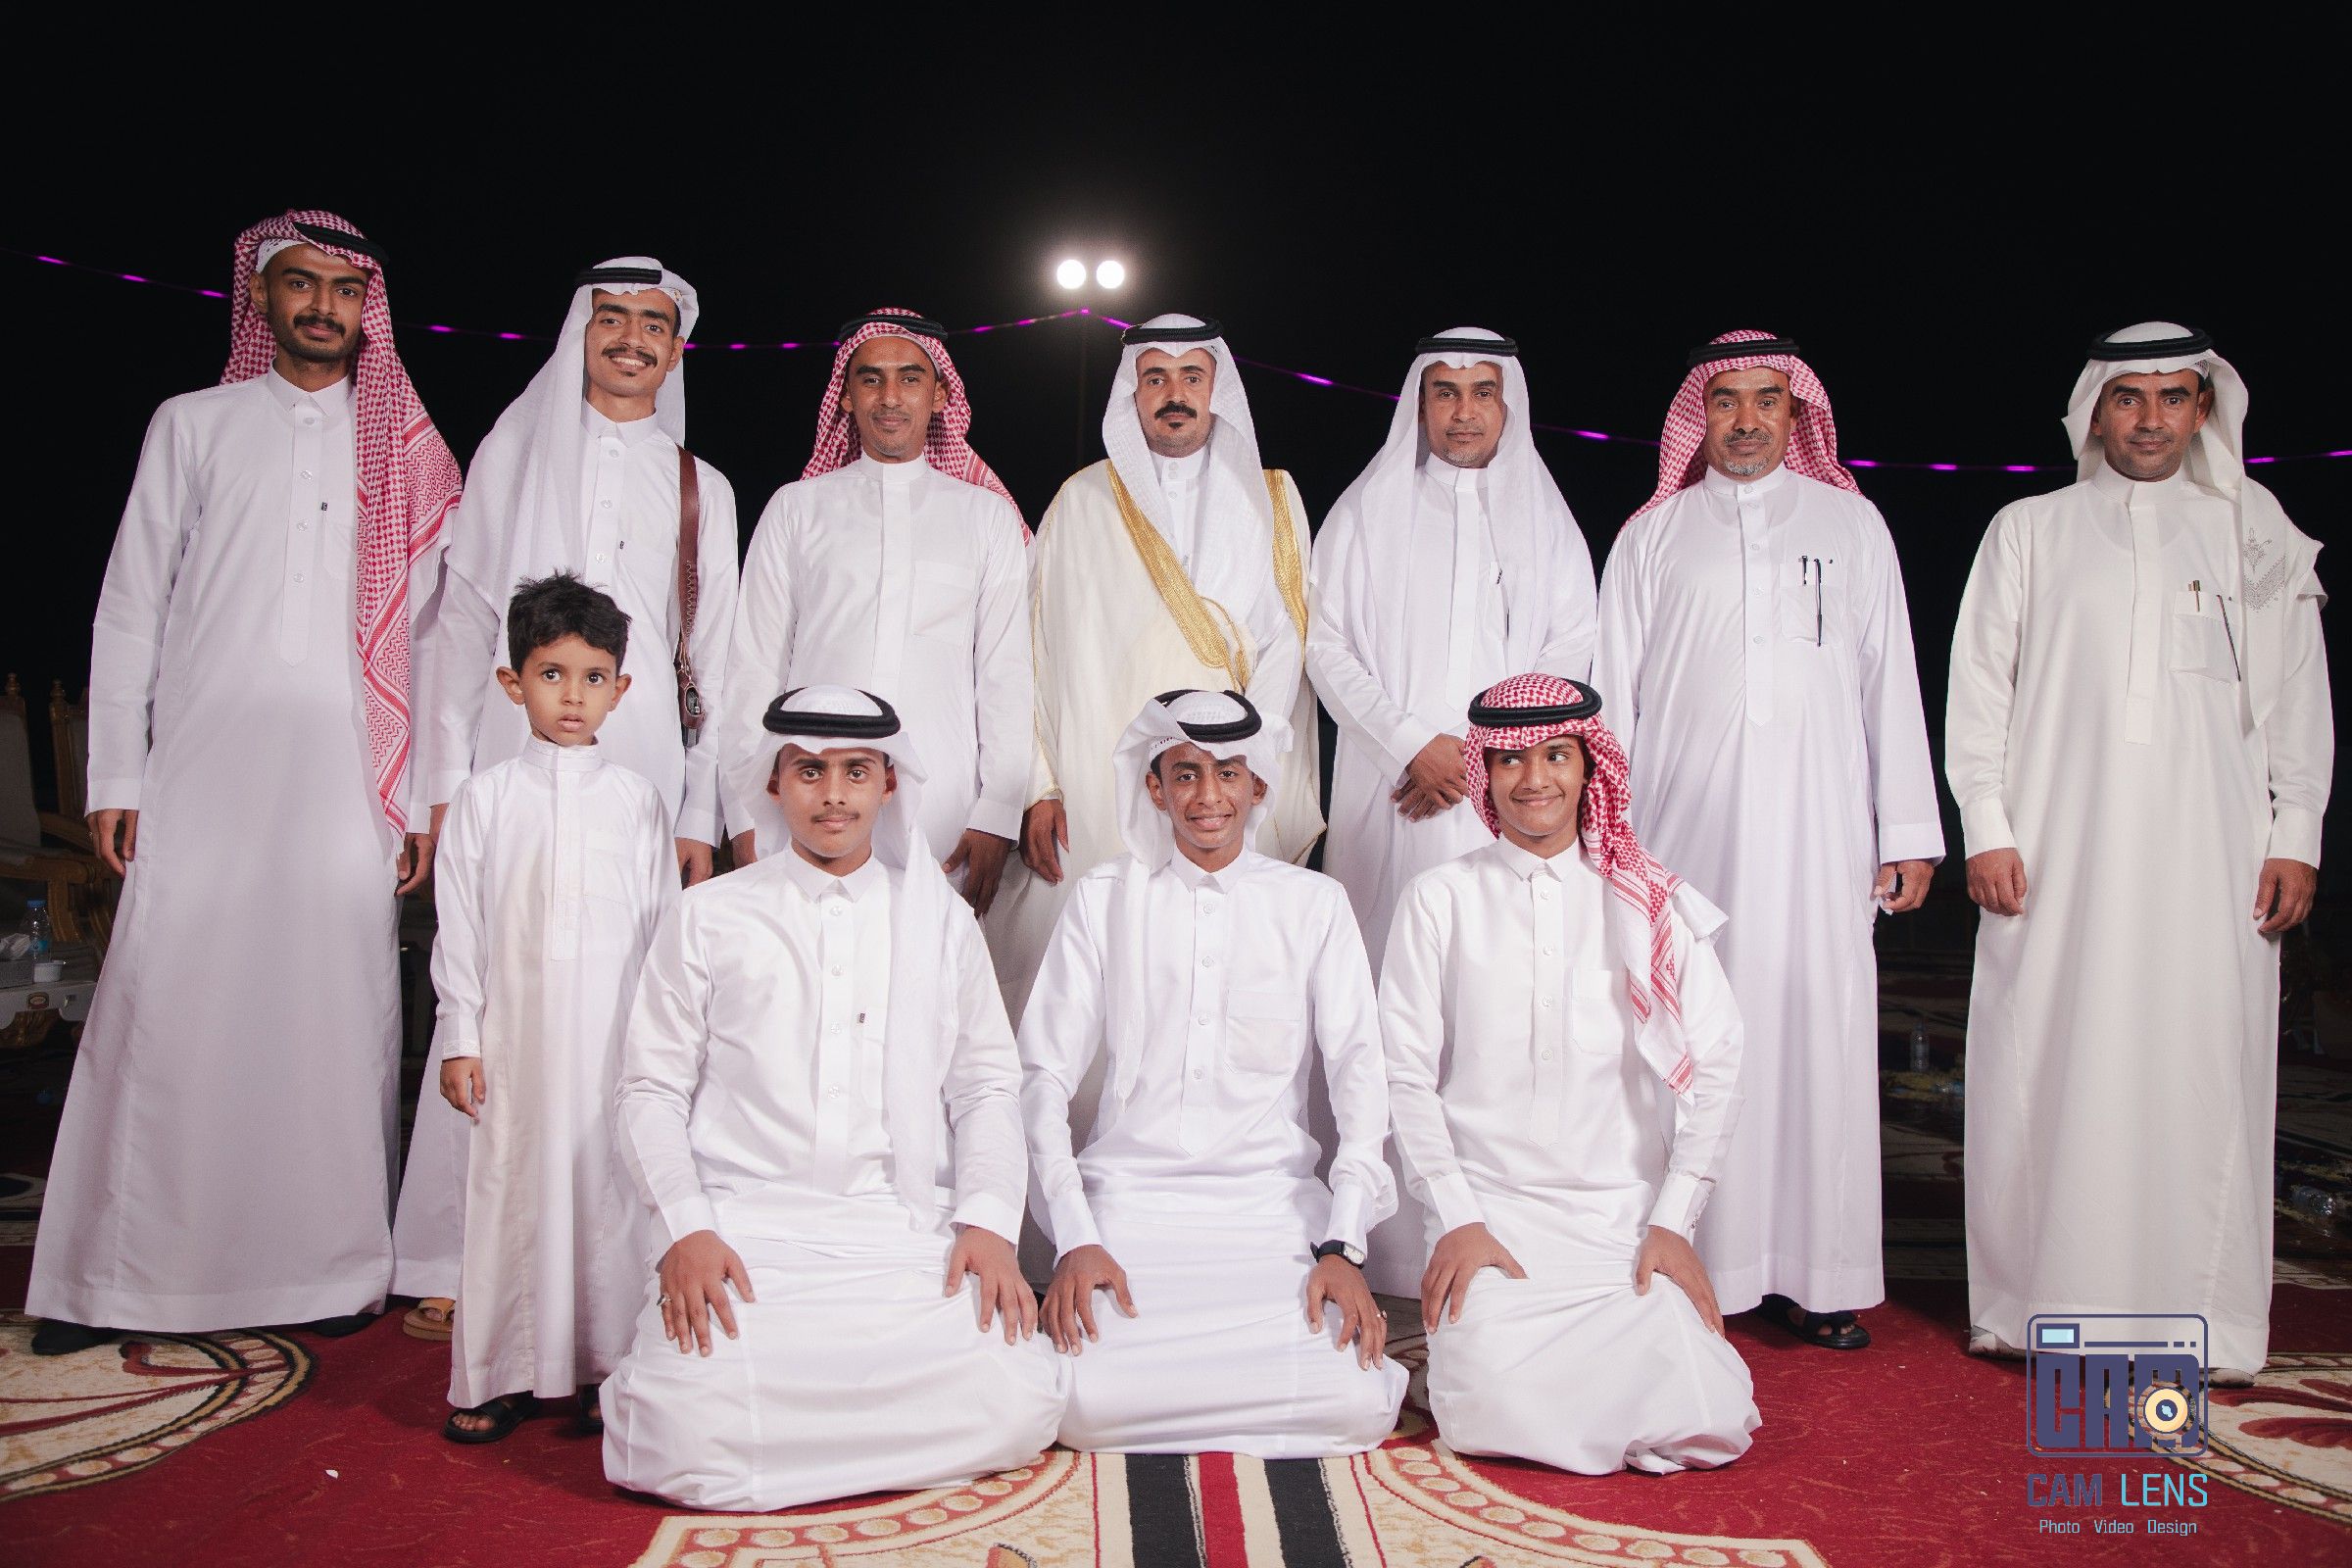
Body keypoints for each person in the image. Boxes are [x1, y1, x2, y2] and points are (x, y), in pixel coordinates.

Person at [29, 211, 462, 1352]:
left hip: (351, 781)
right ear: (260, 297)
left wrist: (427, 797)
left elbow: (437, 639)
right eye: (300, 284)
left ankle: (322, 1270)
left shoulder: (408, 453)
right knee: (164, 1000)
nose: (323, 306)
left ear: (368, 309)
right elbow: (131, 602)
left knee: (330, 1016)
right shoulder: (194, 423)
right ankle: (110, 1281)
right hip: (203, 767)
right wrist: (116, 771)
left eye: (343, 289)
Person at [1946, 322, 2331, 1382]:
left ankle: (2206, 1319)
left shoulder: (2256, 531)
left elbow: (2299, 696)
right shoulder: (2028, 530)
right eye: (2129, 397)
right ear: (2094, 410)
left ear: (2205, 410)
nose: (2150, 419)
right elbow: (1979, 689)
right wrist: (1987, 825)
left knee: (2202, 1066)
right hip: (2053, 855)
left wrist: (2297, 831)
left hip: (2215, 855)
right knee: (2049, 1058)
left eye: (2172, 397)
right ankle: (2033, 1307)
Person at [601, 686, 1066, 1510]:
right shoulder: (709, 915)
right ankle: (877, 1443)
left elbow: (987, 1086)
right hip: (746, 1233)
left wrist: (990, 1225)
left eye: (856, 771)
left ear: (889, 784)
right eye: (810, 771)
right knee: (677, 1429)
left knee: (1019, 1396)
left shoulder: (939, 921)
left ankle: (793, 1451)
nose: (834, 795)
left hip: (899, 1232)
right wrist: (687, 1228)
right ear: (774, 783)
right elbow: (649, 1089)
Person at [396, 258, 739, 1343]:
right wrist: (444, 782)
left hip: (642, 761)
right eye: (612, 319)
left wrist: (697, 814)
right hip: (512, 750)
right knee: (498, 980)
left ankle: (618, 1249)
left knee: (631, 1001)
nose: (632, 339)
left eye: (654, 325)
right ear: (579, 334)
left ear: (676, 349)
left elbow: (716, 659)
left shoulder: (703, 485)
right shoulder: (512, 450)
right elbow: (462, 622)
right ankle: (459, 1249)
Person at [1591, 330, 1942, 1350]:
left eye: (1767, 401)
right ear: (1699, 415)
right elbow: (1613, 700)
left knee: (1816, 1032)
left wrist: (1908, 830)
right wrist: (1610, 839)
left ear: (1798, 414)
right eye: (1726, 402)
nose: (1746, 422)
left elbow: (1890, 680)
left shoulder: (1852, 524)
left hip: (1823, 835)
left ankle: (1817, 1275)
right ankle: (1689, 1255)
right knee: (1689, 1037)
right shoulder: (1652, 536)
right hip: (1683, 835)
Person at [1382, 673, 1757, 1474]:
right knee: (1491, 1410)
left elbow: (1720, 1059)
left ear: (1591, 768)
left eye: (1557, 756)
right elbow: (1402, 1074)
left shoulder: (1647, 899)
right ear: (1485, 773)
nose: (1535, 779)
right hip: (1492, 1212)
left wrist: (1674, 1219)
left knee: (1707, 1417)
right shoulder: (1440, 897)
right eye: (1511, 760)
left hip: (1622, 1217)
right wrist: (1455, 1216)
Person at [1018, 690, 1404, 1456]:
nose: (1207, 796)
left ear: (1257, 785)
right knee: (1081, 1408)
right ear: (1155, 787)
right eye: (1185, 773)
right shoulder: (1103, 899)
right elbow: (1040, 1079)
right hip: (1130, 1207)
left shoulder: (1313, 904)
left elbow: (1362, 1078)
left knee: (1358, 1404)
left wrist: (1342, 1244)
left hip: (1272, 1211)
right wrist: (1075, 1237)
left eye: (1228, 773)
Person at [1307, 326, 1598, 1296]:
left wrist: (1478, 757)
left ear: (1508, 405)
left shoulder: (1547, 519)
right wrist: (1409, 743)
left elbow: (1571, 648)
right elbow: (1325, 645)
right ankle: (1378, 1240)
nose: (1464, 410)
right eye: (1445, 391)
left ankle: (1496, 1229)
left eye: (1482, 391)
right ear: (1419, 405)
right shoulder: (1366, 510)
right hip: (1392, 798)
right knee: (1380, 1002)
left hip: (1505, 800)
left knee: (1500, 1005)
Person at [987, 315, 1320, 1019]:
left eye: (1191, 376)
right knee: (1095, 957)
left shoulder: (1272, 497)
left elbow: (1285, 640)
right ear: (1130, 394)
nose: (1175, 393)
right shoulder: (1082, 501)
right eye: (1155, 378)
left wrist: (1249, 758)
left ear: (1216, 389)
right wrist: (1039, 788)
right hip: (1096, 774)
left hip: (1221, 779)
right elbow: (1032, 651)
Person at [426, 574, 673, 1442]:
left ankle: (611, 1368)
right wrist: (460, 1036)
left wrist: (664, 1050)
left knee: (613, 1197)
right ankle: (499, 1373)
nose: (573, 696)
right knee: (509, 1192)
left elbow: (662, 936)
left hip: (614, 1045)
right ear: (512, 682)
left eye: (593, 677)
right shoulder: (487, 800)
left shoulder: (638, 803)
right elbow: (460, 929)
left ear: (621, 688)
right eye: (552, 674)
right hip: (515, 1043)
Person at [722, 309, 1028, 919]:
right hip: (808, 802)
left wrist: (997, 813)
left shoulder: (986, 517)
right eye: (871, 378)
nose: (890, 397)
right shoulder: (795, 509)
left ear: (940, 395)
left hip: (945, 809)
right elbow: (753, 666)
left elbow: (1005, 676)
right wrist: (742, 810)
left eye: (910, 378)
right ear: (845, 396)